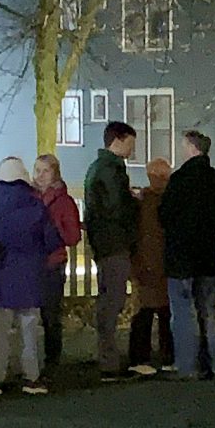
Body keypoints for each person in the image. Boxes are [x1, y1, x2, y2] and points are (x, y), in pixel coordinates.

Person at [0, 156, 57, 398]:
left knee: (0, 330)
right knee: (29, 329)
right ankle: (31, 377)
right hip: (29, 276)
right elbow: (51, 240)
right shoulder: (36, 207)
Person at [159, 129, 215, 380]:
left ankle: (187, 366)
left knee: (183, 313)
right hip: (207, 256)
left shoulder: (179, 180)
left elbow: (164, 214)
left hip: (181, 258)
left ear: (191, 148)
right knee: (208, 312)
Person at [83, 121, 138, 378]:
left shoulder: (98, 168)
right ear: (118, 140)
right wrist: (133, 202)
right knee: (112, 300)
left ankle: (107, 357)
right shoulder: (112, 170)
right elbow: (117, 207)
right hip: (114, 241)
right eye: (131, 143)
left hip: (104, 241)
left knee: (108, 298)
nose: (132, 149)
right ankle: (109, 361)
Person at [33, 153, 82, 373]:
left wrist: (55, 230)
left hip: (53, 263)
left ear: (55, 173)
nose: (40, 175)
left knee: (51, 315)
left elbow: (73, 236)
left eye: (46, 171)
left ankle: (52, 360)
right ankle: (32, 361)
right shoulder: (30, 197)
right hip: (32, 263)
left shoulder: (64, 201)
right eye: (37, 170)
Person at [127, 158, 174, 375]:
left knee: (145, 312)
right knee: (164, 313)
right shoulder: (168, 200)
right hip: (163, 264)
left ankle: (140, 357)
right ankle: (167, 355)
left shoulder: (142, 202)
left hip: (146, 263)